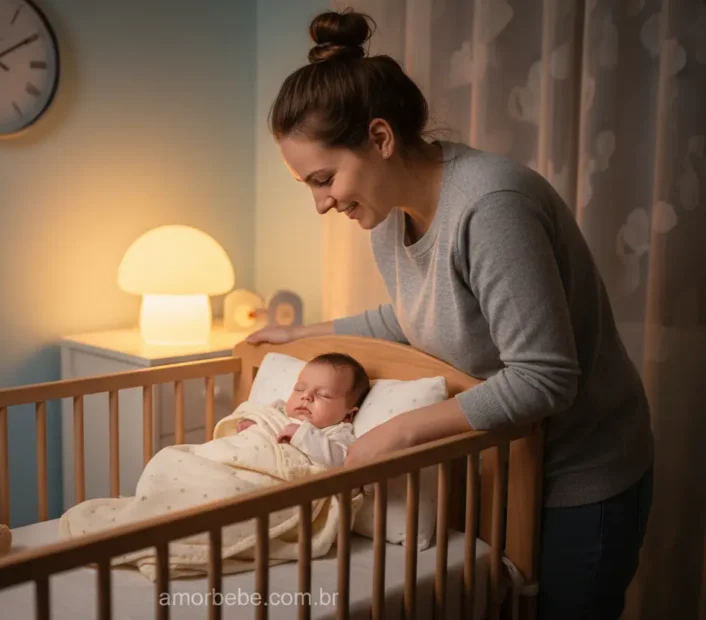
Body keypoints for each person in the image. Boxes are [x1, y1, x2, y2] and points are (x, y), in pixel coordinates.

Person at [246, 9, 654, 620]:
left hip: (579, 473)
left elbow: (545, 377)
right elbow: (414, 319)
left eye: (325, 179)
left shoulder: (491, 207)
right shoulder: (388, 217)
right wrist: (302, 334)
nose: (321, 203)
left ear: (380, 139)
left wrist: (400, 431)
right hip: (508, 469)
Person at [237, 352, 370, 467]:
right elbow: (260, 415)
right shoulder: (278, 409)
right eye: (299, 389)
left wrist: (302, 435)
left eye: (323, 394)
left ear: (348, 415)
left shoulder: (337, 432)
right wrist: (252, 423)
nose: (306, 396)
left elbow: (340, 461)